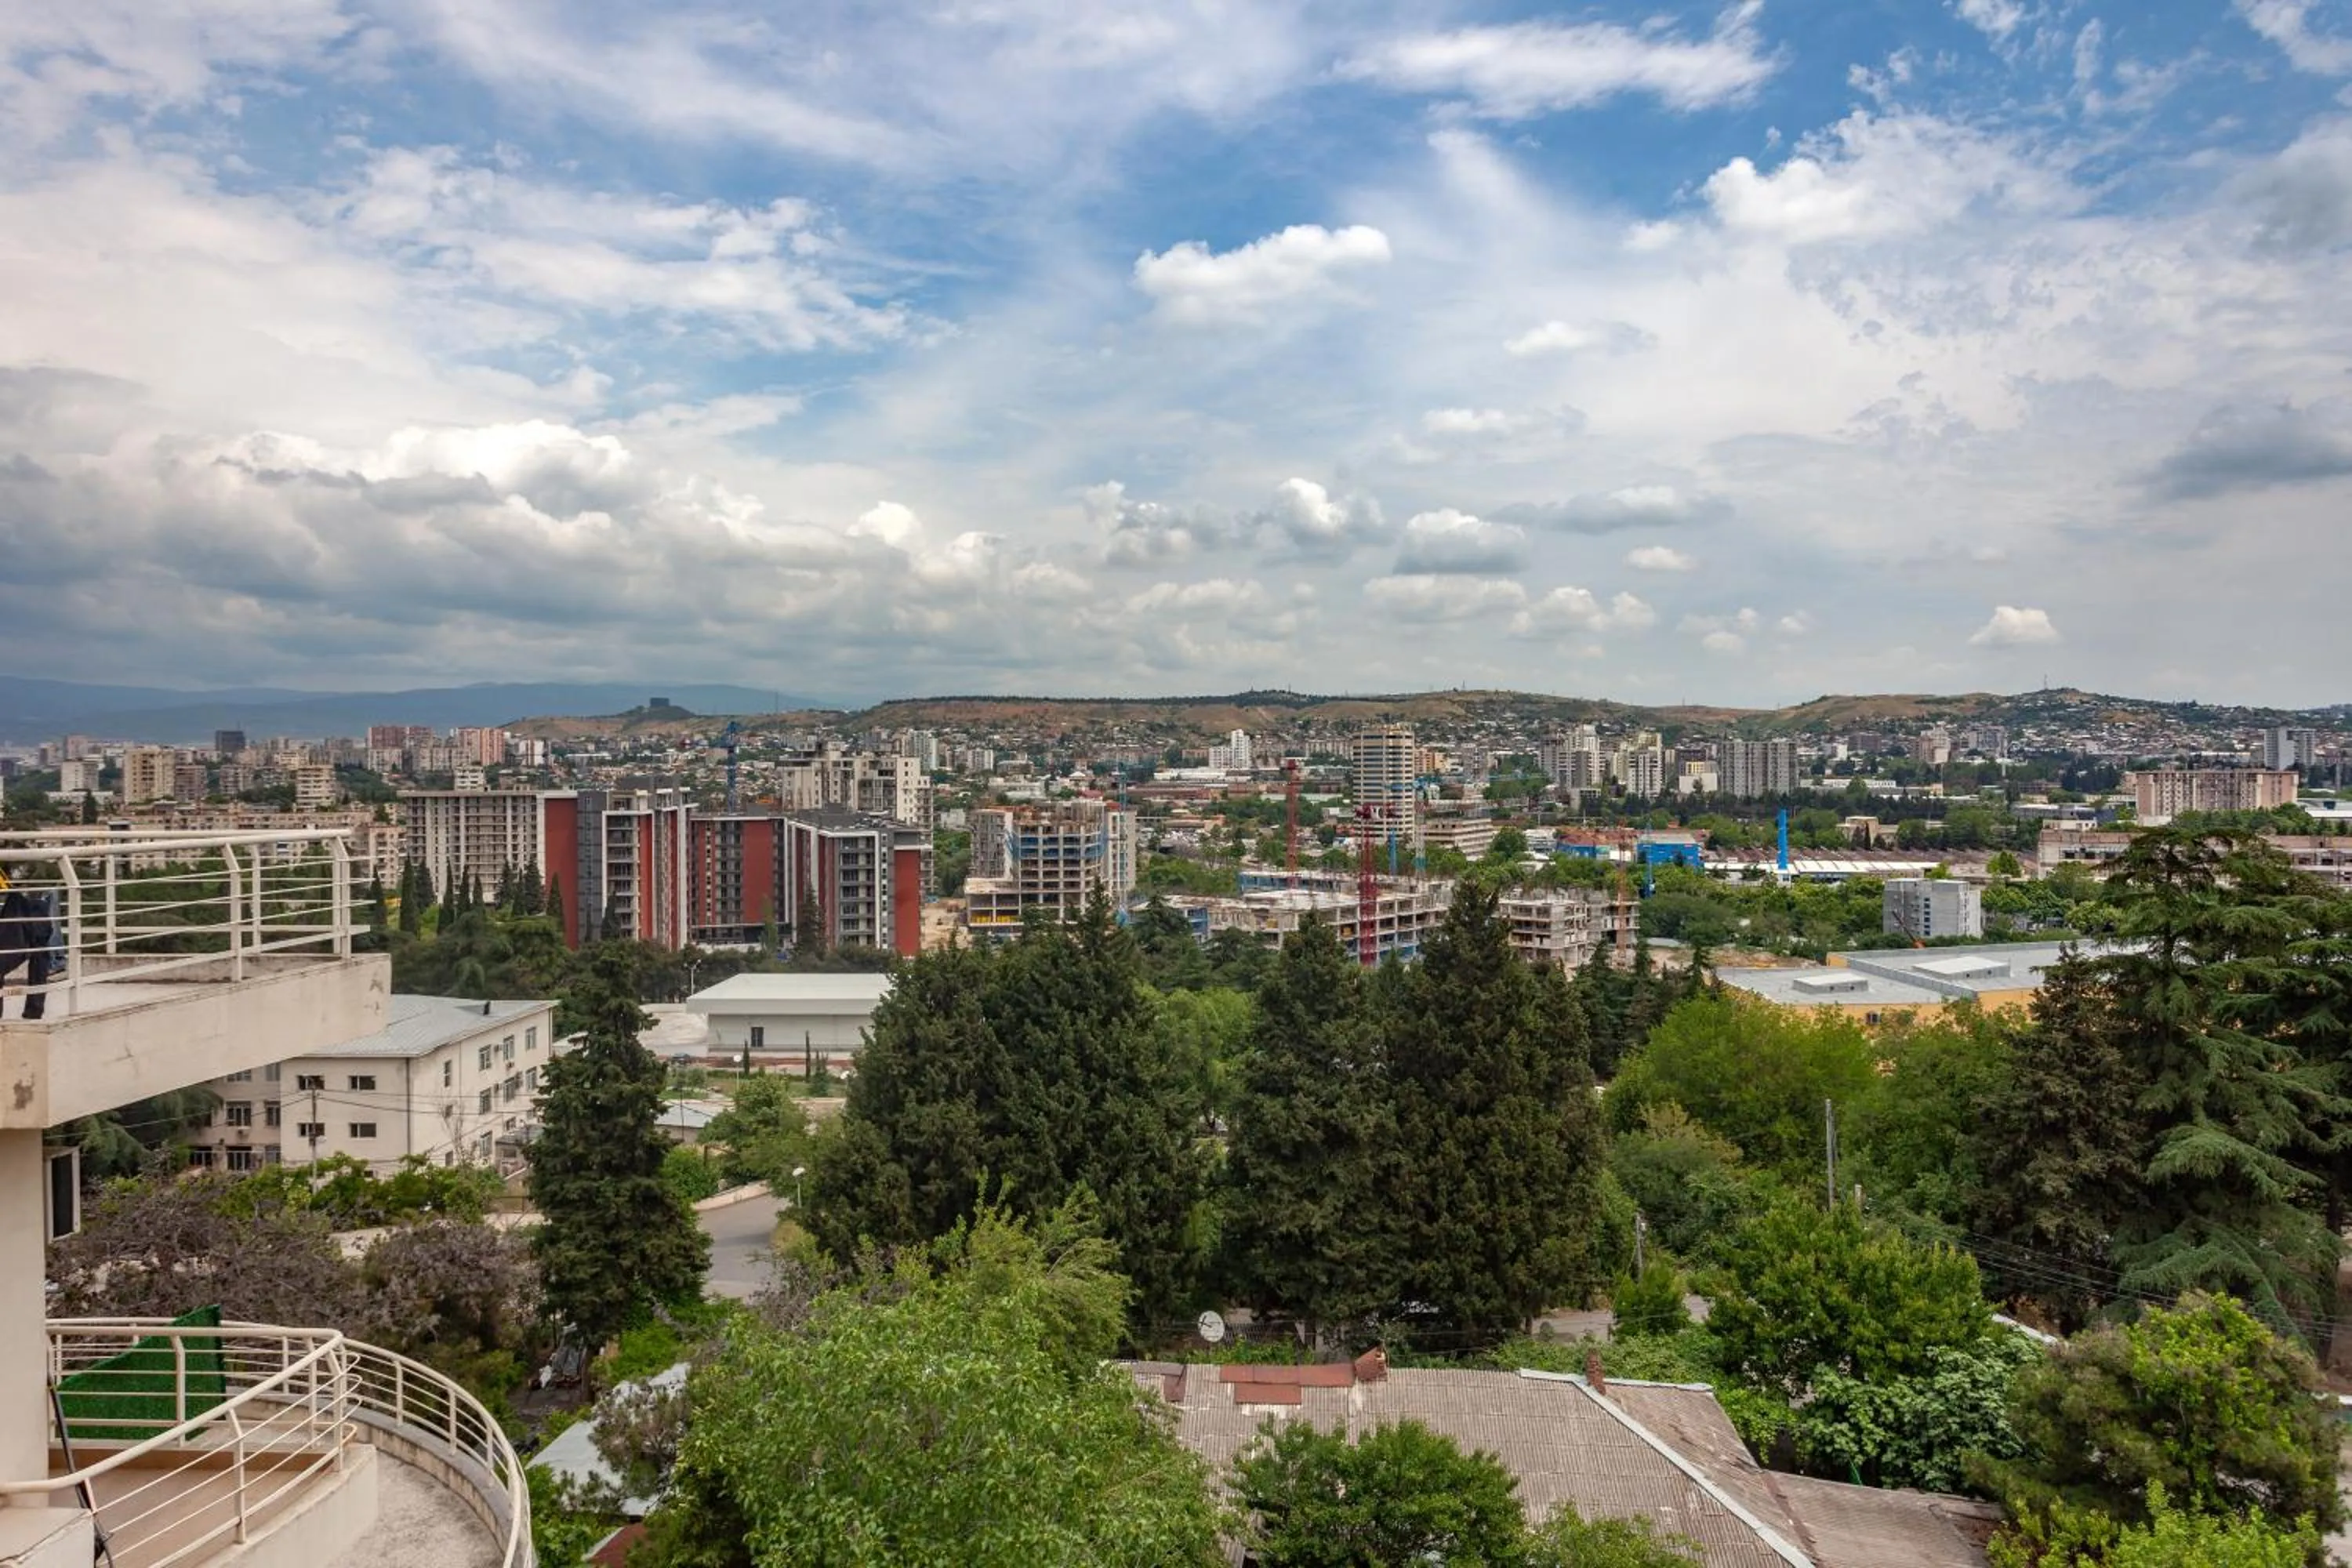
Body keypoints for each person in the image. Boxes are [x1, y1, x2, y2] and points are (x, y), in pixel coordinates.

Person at [0, 882, 58, 1021]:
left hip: (24, 908)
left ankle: (34, 1009)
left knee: (39, 957)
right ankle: (34, 1010)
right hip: (28, 905)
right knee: (40, 957)